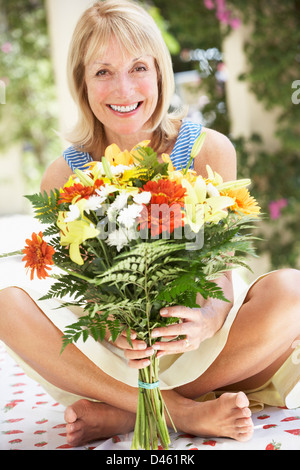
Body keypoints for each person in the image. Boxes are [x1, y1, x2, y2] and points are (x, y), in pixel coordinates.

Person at [1, 0, 300, 448]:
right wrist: (106, 322)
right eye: (102, 72)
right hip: (119, 360)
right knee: (6, 305)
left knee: (292, 291)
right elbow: (80, 291)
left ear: (161, 71)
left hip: (206, 347)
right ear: (82, 82)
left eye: (138, 67)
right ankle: (180, 411)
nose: (123, 89)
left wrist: (208, 317)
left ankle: (124, 415)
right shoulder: (63, 177)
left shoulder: (206, 150)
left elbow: (221, 272)